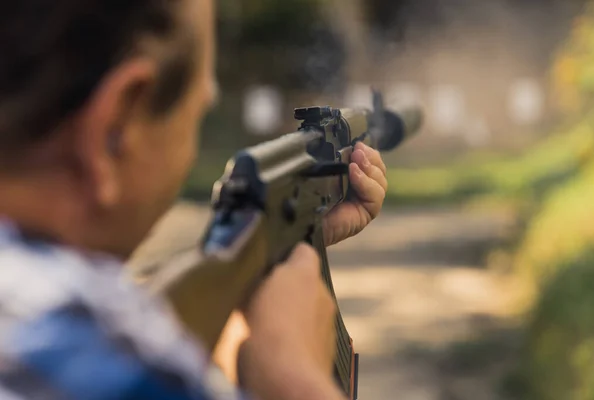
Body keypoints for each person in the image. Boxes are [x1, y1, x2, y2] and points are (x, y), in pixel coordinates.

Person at [0, 0, 389, 399]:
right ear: (117, 126)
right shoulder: (116, 367)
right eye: (197, 112)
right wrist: (293, 375)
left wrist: (290, 239)